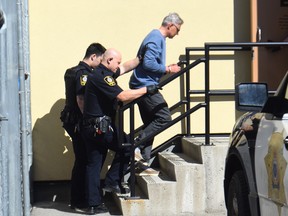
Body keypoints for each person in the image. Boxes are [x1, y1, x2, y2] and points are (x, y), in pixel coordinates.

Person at [81, 48, 159, 214]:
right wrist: (147, 89)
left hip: (91, 127)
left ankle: (93, 204)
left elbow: (124, 68)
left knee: (94, 165)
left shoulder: (99, 74)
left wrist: (140, 59)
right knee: (128, 146)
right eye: (116, 62)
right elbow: (122, 96)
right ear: (108, 61)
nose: (118, 66)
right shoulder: (103, 77)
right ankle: (112, 181)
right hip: (100, 127)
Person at [129, 12, 184, 170]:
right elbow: (148, 64)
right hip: (144, 85)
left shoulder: (156, 37)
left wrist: (167, 68)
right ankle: (136, 145)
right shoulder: (156, 38)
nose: (178, 33)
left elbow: (149, 63)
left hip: (142, 83)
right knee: (164, 117)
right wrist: (168, 69)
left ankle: (142, 160)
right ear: (170, 25)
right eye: (177, 29)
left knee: (151, 122)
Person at [60, 42, 106, 211]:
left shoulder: (73, 71)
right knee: (85, 161)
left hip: (72, 122)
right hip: (79, 123)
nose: (100, 63)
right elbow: (81, 99)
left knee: (81, 161)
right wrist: (89, 120)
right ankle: (84, 200)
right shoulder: (83, 74)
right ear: (93, 56)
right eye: (100, 60)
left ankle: (78, 199)